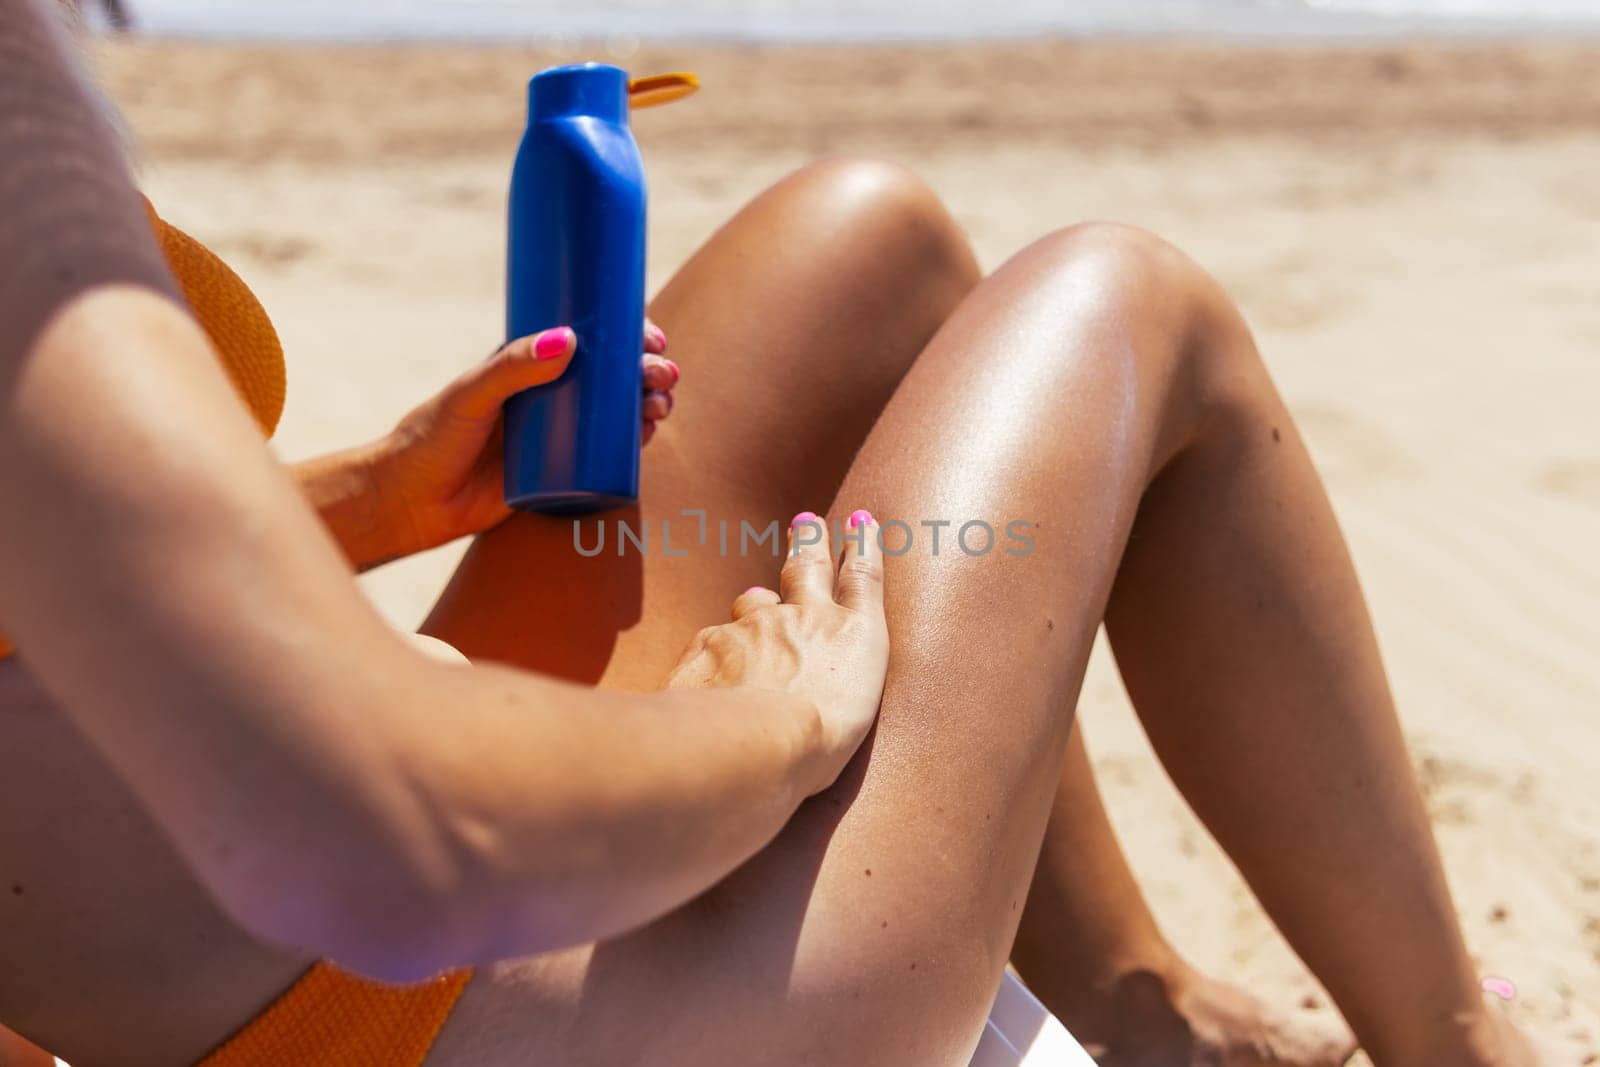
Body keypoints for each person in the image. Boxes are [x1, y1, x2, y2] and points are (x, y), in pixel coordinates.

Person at [0, 1, 1550, 1063]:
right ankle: (1458, 1047)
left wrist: (368, 497)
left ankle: (1136, 1000)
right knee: (1129, 300)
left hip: (329, 947)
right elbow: (408, 847)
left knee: (862, 240)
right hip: (519, 1006)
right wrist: (776, 717)